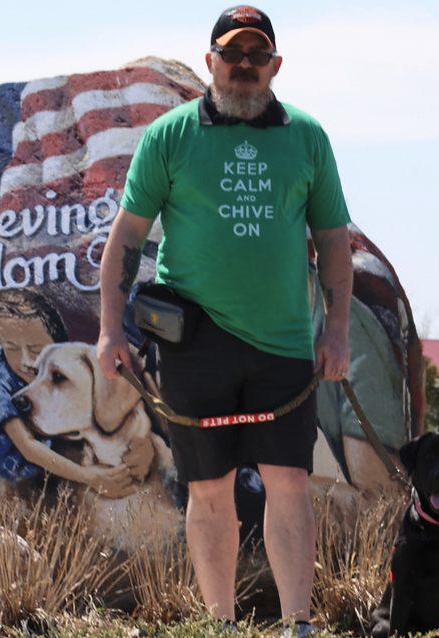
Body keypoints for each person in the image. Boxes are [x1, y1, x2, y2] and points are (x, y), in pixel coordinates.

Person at [97, 6, 353, 636]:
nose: (243, 66)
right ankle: (222, 627)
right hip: (194, 344)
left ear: (275, 66)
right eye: (231, 54)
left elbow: (334, 244)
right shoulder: (170, 136)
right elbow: (125, 237)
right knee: (208, 489)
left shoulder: (308, 137)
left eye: (255, 55)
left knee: (289, 482)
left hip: (285, 348)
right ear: (210, 61)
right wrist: (109, 329)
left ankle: (298, 625)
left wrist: (338, 329)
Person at [0, 287, 150, 497]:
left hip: (19, 474)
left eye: (35, 349)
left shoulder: (61, 364)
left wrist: (141, 449)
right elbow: (29, 447)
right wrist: (90, 478)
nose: (25, 360)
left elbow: (108, 420)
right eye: (11, 348)